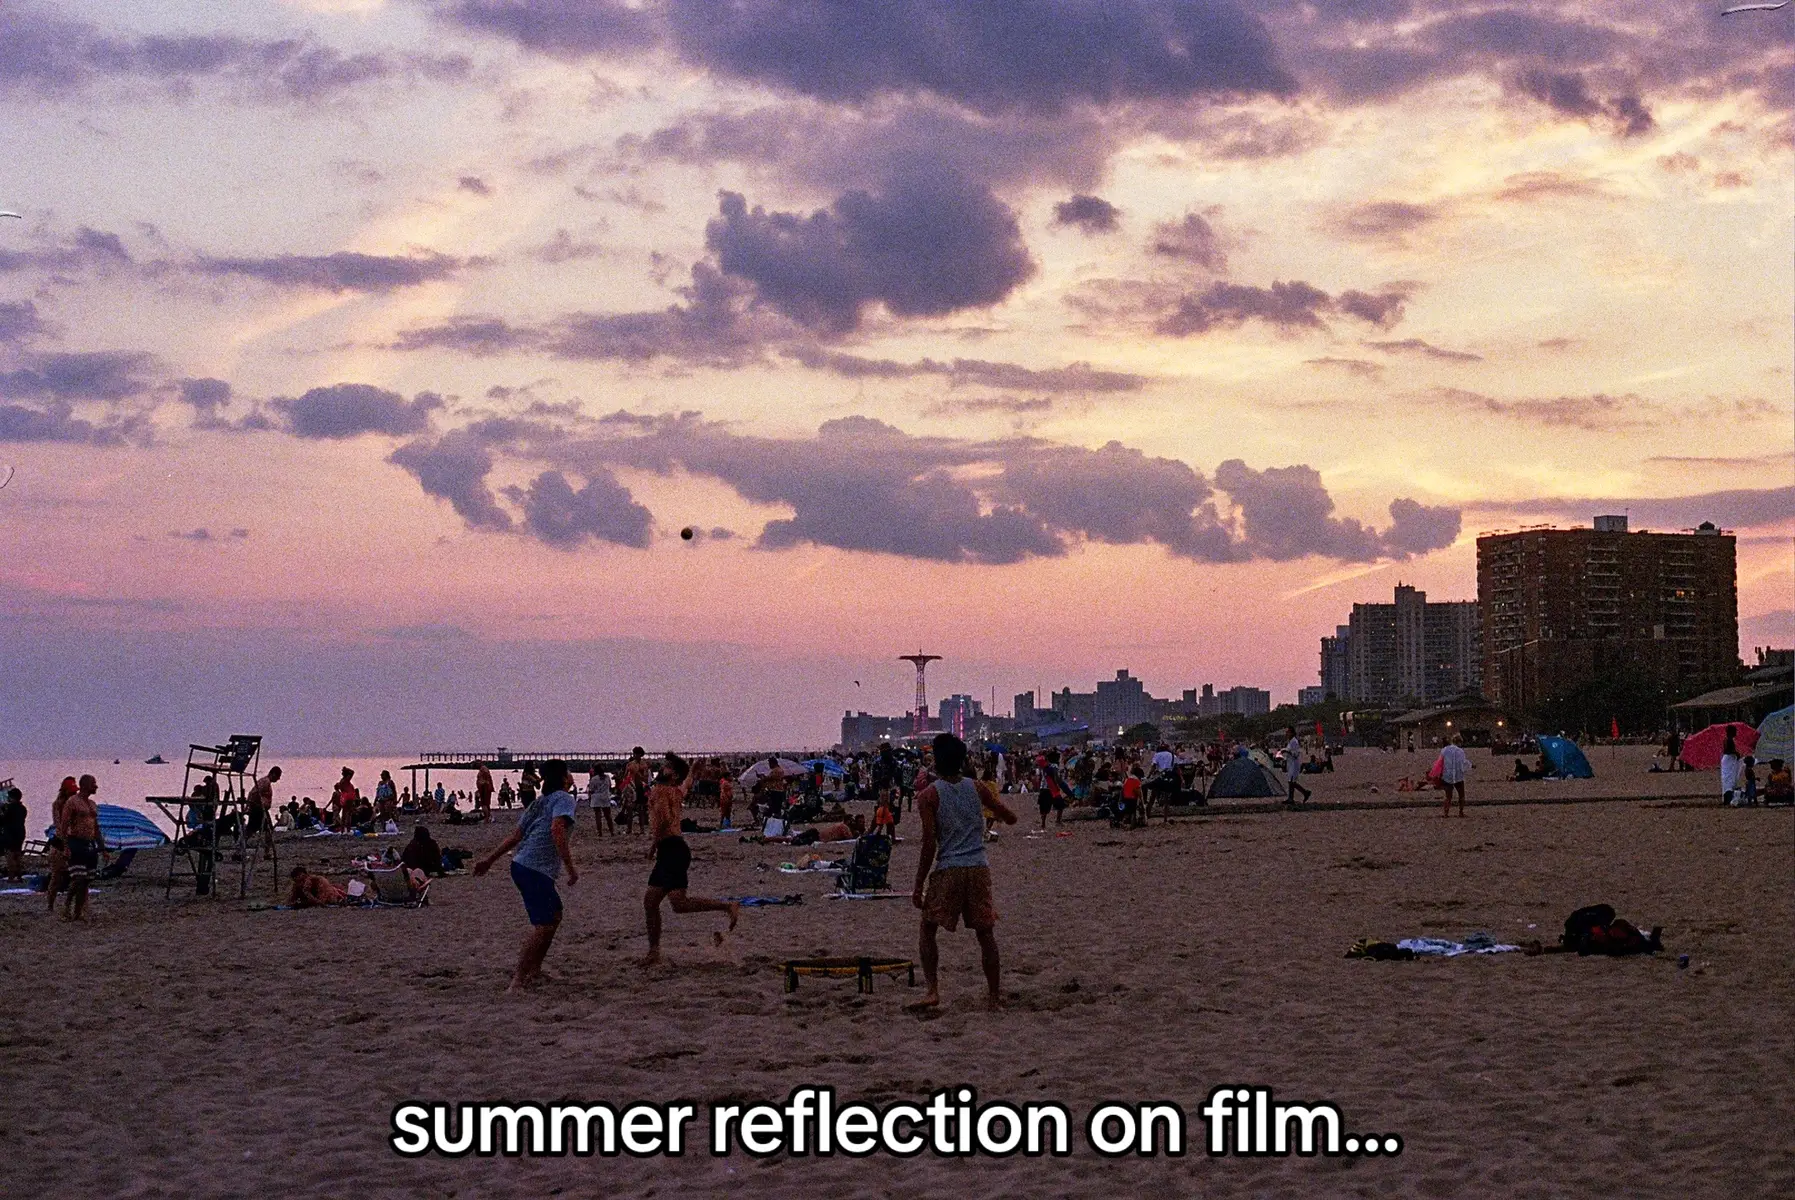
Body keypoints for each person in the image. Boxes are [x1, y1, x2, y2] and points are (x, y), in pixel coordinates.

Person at [910, 734, 1016, 1012]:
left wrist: (919, 884)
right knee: (985, 933)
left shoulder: (929, 796)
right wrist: (1001, 817)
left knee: (928, 928)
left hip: (949, 868)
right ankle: (993, 997)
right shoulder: (976, 787)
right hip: (978, 866)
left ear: (936, 761)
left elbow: (929, 843)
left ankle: (932, 990)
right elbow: (1008, 815)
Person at [475, 759, 579, 992]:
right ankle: (518, 980)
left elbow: (515, 837)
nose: (571, 775)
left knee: (554, 916)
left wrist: (489, 860)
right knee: (544, 924)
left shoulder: (539, 802)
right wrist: (571, 868)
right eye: (569, 772)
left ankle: (535, 971)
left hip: (521, 865)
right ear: (563, 777)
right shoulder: (564, 799)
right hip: (533, 869)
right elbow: (557, 829)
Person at [641, 753, 737, 967]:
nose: (661, 768)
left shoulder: (660, 791)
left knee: (678, 904)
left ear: (673, 775)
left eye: (666, 766)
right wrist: (692, 770)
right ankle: (654, 952)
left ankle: (727, 906)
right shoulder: (675, 791)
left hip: (672, 850)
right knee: (651, 902)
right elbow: (687, 785)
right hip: (672, 849)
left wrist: (653, 844)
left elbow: (663, 820)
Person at [58, 774, 106, 921]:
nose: (96, 786)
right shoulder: (73, 802)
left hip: (89, 844)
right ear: (85, 785)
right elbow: (64, 826)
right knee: (78, 878)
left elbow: (96, 828)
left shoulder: (92, 804)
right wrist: (65, 847)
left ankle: (78, 912)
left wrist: (102, 848)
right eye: (93, 784)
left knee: (86, 880)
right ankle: (66, 907)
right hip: (76, 842)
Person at [247, 765, 281, 860]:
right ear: (273, 774)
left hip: (261, 809)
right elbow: (253, 793)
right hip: (258, 810)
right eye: (278, 776)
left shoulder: (266, 782)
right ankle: (238, 849)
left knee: (267, 830)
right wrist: (254, 805)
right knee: (251, 830)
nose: (278, 779)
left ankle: (267, 852)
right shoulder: (265, 782)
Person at [1438, 734, 1470, 817]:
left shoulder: (1444, 750)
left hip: (1447, 775)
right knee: (1461, 795)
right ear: (1459, 742)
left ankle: (1446, 813)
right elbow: (1463, 762)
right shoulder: (1460, 751)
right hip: (1458, 776)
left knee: (1448, 796)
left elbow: (1440, 761)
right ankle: (1461, 812)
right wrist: (1470, 765)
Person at [1, 786, 25, 881]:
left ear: (12, 797)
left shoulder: (10, 808)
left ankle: (11, 876)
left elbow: (3, 820)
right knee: (18, 854)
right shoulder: (23, 808)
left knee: (10, 855)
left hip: (10, 833)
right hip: (20, 832)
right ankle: (19, 875)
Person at [1284, 728, 1312, 805]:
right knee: (1291, 782)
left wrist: (1287, 751)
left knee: (1292, 782)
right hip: (1290, 764)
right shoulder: (1290, 742)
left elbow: (1296, 754)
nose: (1286, 734)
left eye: (1288, 732)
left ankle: (1304, 793)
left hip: (1294, 764)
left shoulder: (1294, 742)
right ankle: (1292, 798)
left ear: (1292, 733)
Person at [588, 768, 616, 836]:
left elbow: (591, 789)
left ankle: (599, 832)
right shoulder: (607, 777)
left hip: (596, 798)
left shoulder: (594, 779)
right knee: (608, 815)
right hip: (605, 797)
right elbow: (609, 786)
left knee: (598, 815)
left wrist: (590, 796)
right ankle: (612, 831)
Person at [1719, 726, 1742, 806]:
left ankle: (1726, 798)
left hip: (1727, 760)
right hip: (1729, 759)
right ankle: (1728, 798)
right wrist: (1736, 753)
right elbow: (1728, 750)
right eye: (1735, 731)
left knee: (1726, 779)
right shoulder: (1729, 740)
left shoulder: (1726, 739)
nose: (1736, 733)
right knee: (1729, 779)